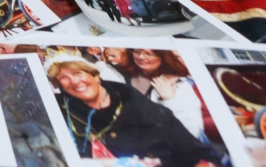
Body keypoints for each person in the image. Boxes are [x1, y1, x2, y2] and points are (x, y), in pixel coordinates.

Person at [47, 58, 220, 167]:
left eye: (78, 73)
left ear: (96, 76)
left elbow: (193, 151)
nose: (74, 81)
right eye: (64, 78)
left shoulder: (141, 107)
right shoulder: (59, 110)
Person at [128, 49, 206, 139]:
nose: (141, 57)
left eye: (149, 54)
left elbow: (192, 132)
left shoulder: (178, 84)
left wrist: (169, 99)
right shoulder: (129, 77)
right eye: (137, 52)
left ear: (163, 56)